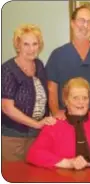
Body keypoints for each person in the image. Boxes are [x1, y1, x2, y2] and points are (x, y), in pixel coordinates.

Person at [1, 24, 55, 161]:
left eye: (35, 44)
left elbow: (44, 95)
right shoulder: (7, 70)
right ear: (17, 46)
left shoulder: (39, 65)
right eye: (26, 44)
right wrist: (36, 123)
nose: (31, 49)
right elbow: (7, 108)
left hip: (37, 135)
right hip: (13, 137)